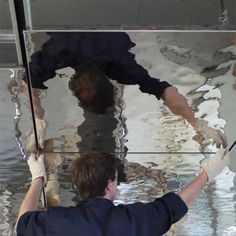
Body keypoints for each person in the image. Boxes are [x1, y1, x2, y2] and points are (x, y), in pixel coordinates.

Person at [23, 32, 227, 150]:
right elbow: (28, 82)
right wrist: (38, 121)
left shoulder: (121, 66)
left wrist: (197, 123)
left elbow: (167, 91)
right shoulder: (59, 53)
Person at [16, 148, 230, 236]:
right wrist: (207, 173)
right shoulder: (132, 220)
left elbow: (21, 222)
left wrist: (38, 178)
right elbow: (176, 205)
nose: (117, 185)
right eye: (116, 180)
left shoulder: (57, 221)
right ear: (110, 184)